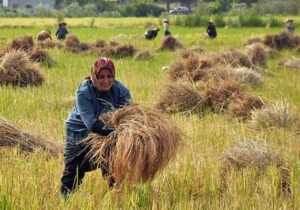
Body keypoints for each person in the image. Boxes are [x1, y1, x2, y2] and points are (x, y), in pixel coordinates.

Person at [60, 57, 132, 199]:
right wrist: (118, 133)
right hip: (79, 131)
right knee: (74, 168)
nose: (106, 81)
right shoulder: (84, 91)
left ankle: (114, 196)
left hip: (108, 131)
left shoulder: (120, 91)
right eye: (101, 77)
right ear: (93, 76)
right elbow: (91, 124)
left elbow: (130, 115)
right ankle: (64, 199)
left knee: (113, 163)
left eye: (109, 76)